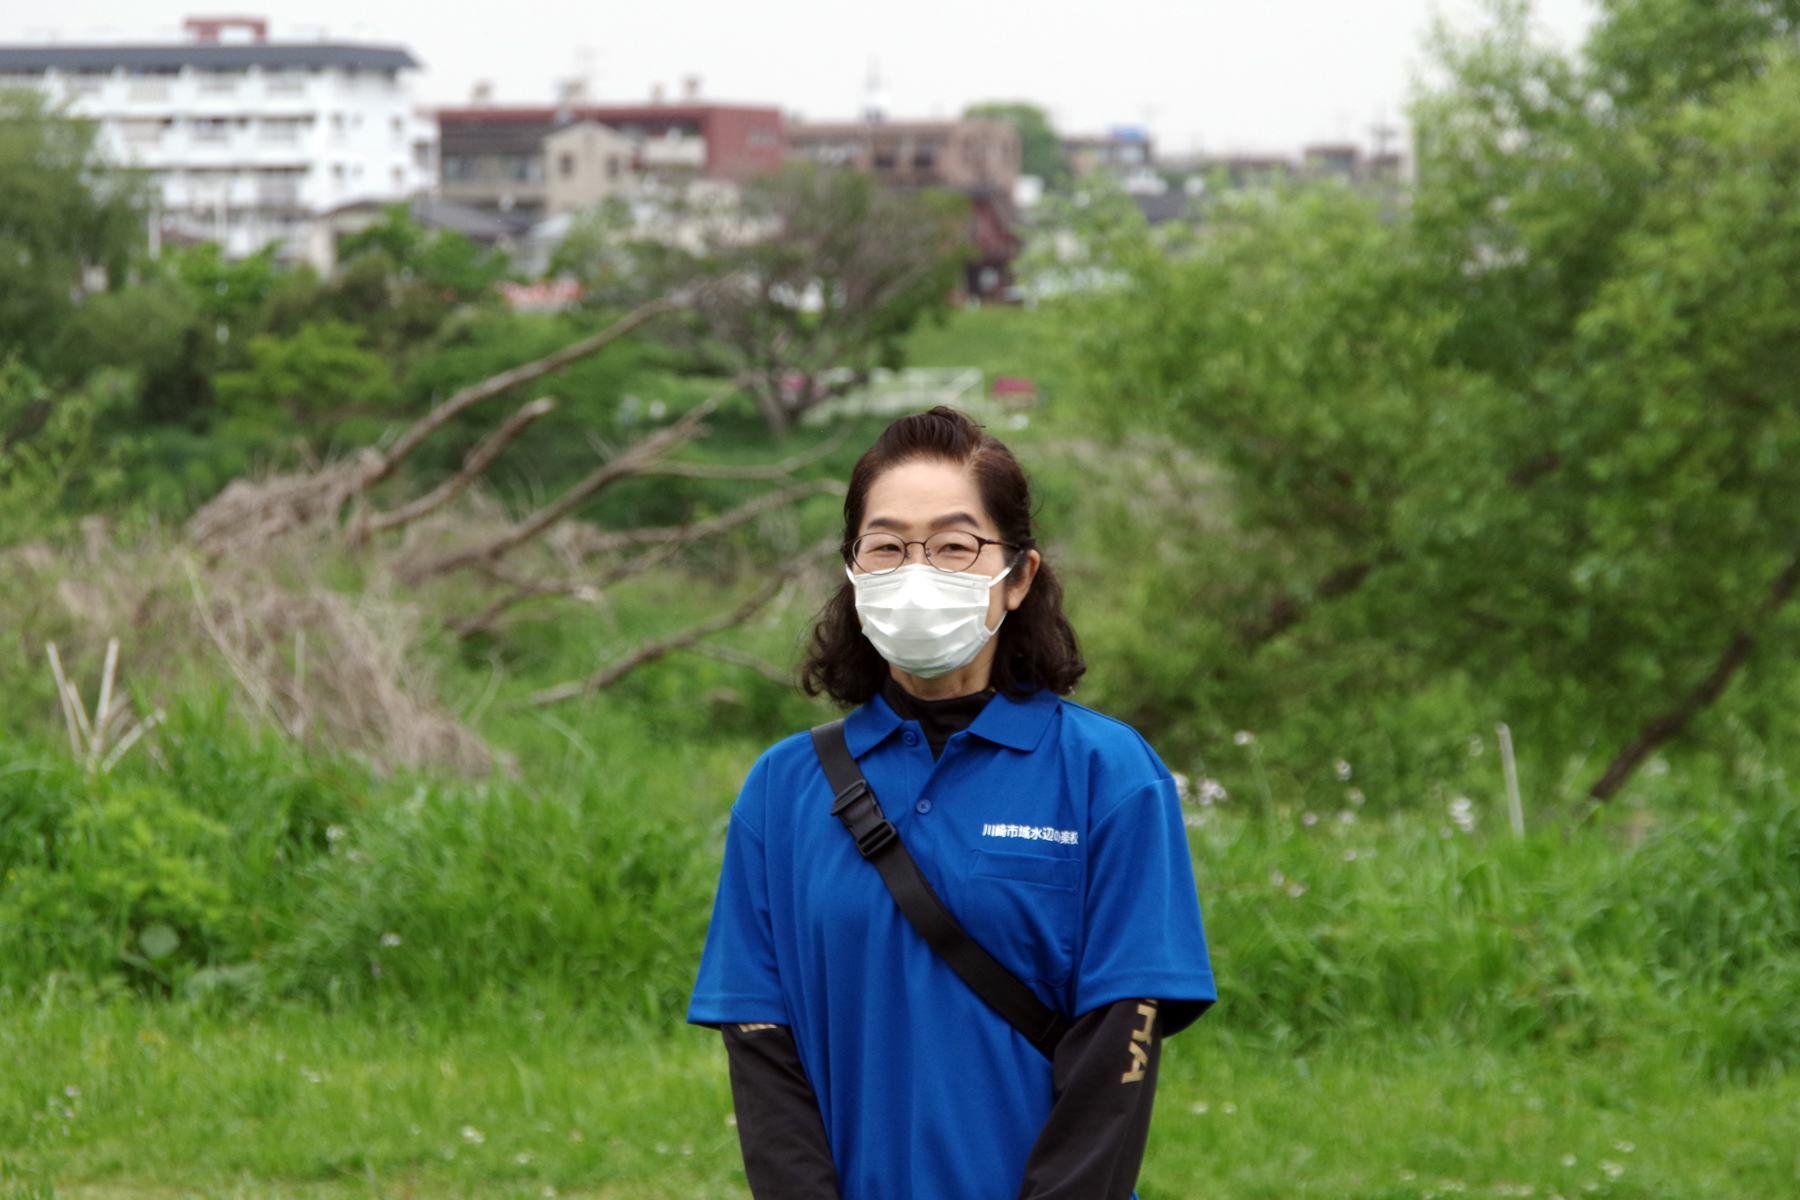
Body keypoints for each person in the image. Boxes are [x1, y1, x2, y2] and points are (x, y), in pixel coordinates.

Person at [688, 407, 1215, 1200]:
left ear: (1018, 577)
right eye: (888, 546)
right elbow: (763, 1046)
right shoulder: (782, 789)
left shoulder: (1109, 774)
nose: (917, 570)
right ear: (856, 571)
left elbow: (1120, 1046)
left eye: (955, 546)